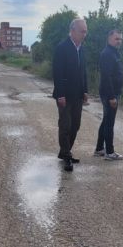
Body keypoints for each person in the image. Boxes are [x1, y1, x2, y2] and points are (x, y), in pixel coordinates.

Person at [52, 18, 89, 172]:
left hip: (78, 95)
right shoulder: (62, 47)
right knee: (65, 125)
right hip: (65, 95)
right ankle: (67, 155)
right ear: (72, 31)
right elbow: (57, 73)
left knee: (76, 125)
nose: (85, 34)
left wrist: (85, 90)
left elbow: (83, 72)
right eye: (82, 31)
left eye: (86, 31)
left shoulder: (82, 48)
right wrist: (60, 94)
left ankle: (64, 151)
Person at [95, 30, 123, 160]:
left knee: (106, 120)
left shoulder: (113, 53)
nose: (119, 41)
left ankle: (99, 148)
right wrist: (112, 96)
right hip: (109, 93)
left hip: (111, 92)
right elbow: (106, 77)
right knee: (109, 123)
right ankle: (110, 152)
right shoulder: (107, 54)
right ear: (109, 39)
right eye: (116, 39)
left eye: (120, 39)